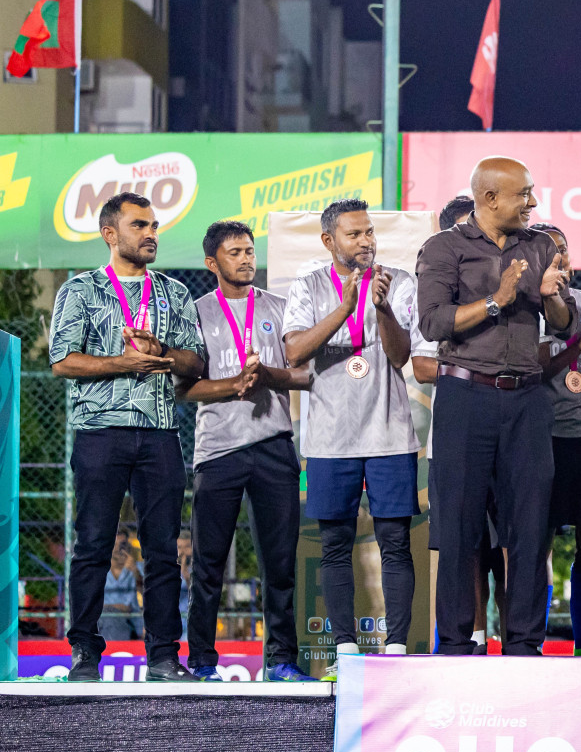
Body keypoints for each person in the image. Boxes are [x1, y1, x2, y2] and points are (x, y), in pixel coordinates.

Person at [416, 160, 577, 656]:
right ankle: (456, 644)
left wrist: (551, 298)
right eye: (522, 195)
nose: (531, 203)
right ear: (488, 199)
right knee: (460, 526)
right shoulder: (444, 248)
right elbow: (431, 322)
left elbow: (565, 325)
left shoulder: (540, 245)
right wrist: (497, 300)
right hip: (466, 396)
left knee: (530, 525)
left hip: (528, 398)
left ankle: (525, 643)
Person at [49, 191, 207, 682]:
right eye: (140, 225)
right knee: (92, 543)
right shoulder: (81, 290)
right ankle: (85, 653)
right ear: (110, 234)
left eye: (155, 225)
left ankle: (162, 655)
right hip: (100, 433)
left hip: (159, 433)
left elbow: (196, 362)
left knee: (162, 547)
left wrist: (165, 352)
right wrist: (123, 363)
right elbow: (62, 361)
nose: (152, 234)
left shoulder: (174, 293)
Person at [283, 198, 419, 658]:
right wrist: (345, 306)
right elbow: (295, 352)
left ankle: (396, 646)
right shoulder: (306, 287)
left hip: (389, 435)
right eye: (354, 234)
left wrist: (381, 308)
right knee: (335, 544)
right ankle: (344, 649)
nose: (365, 242)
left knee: (395, 543)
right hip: (329, 439)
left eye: (369, 233)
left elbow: (401, 357)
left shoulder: (398, 282)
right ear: (329, 241)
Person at [181, 220, 314, 682]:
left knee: (280, 563)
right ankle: (201, 662)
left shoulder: (280, 308)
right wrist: (232, 386)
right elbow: (183, 389)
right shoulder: (195, 312)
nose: (246, 259)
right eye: (235, 252)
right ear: (212, 263)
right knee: (208, 565)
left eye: (250, 251)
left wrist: (269, 376)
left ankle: (280, 660)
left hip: (275, 445)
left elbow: (305, 375)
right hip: (217, 450)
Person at [414, 195, 505, 653]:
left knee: (507, 545)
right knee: (462, 543)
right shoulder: (435, 287)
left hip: (507, 429)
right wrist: (470, 367)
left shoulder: (511, 282)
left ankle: (506, 637)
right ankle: (465, 637)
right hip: (455, 433)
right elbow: (423, 365)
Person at [535, 222, 581, 657]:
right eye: (550, 252)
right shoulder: (529, 308)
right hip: (545, 437)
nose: (560, 259)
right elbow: (538, 369)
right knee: (537, 546)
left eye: (564, 251)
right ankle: (531, 640)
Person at [99, 532, 144, 641]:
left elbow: (147, 592)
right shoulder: (99, 569)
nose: (119, 548)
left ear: (128, 546)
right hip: (104, 616)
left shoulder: (138, 567)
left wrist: (135, 572)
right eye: (114, 544)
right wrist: (117, 607)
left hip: (131, 618)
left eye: (123, 544)